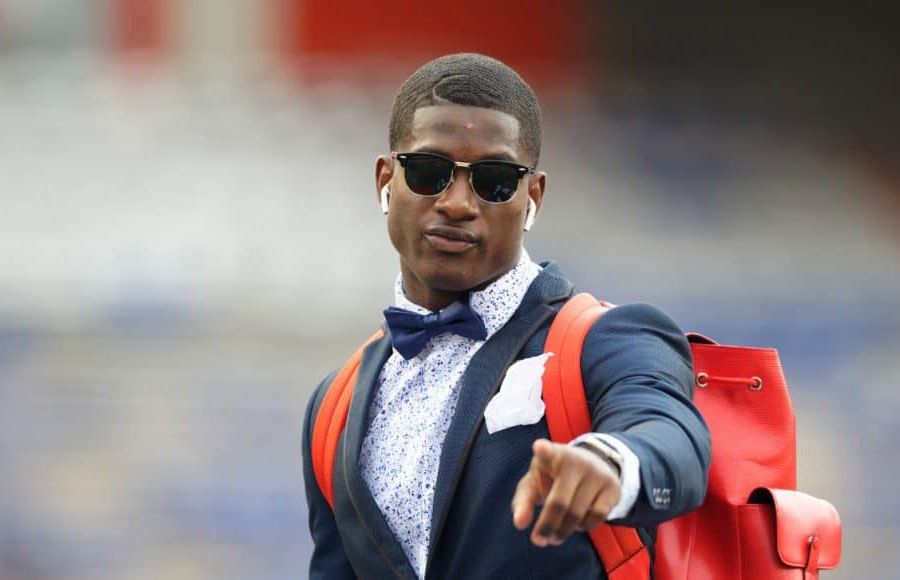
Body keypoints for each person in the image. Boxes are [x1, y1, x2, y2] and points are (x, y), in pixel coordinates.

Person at [302, 53, 711, 580]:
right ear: (386, 182)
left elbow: (671, 432)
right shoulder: (333, 404)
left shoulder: (605, 338)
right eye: (429, 173)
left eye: (494, 181)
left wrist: (613, 464)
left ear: (531, 198)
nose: (456, 204)